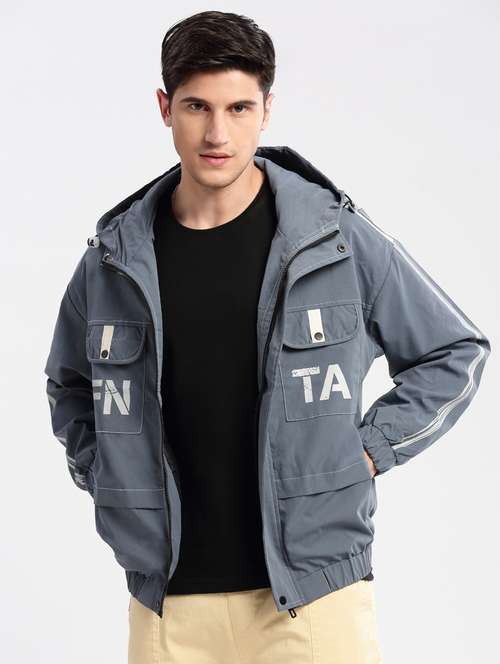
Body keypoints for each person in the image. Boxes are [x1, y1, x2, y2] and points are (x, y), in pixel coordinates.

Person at [44, 10, 491, 664]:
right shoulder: (114, 260)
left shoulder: (333, 240)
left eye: (238, 108)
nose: (217, 133)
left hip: (313, 606)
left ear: (267, 110)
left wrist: (368, 452)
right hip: (167, 611)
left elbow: (454, 351)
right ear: (165, 108)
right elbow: (68, 386)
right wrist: (108, 474)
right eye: (197, 106)